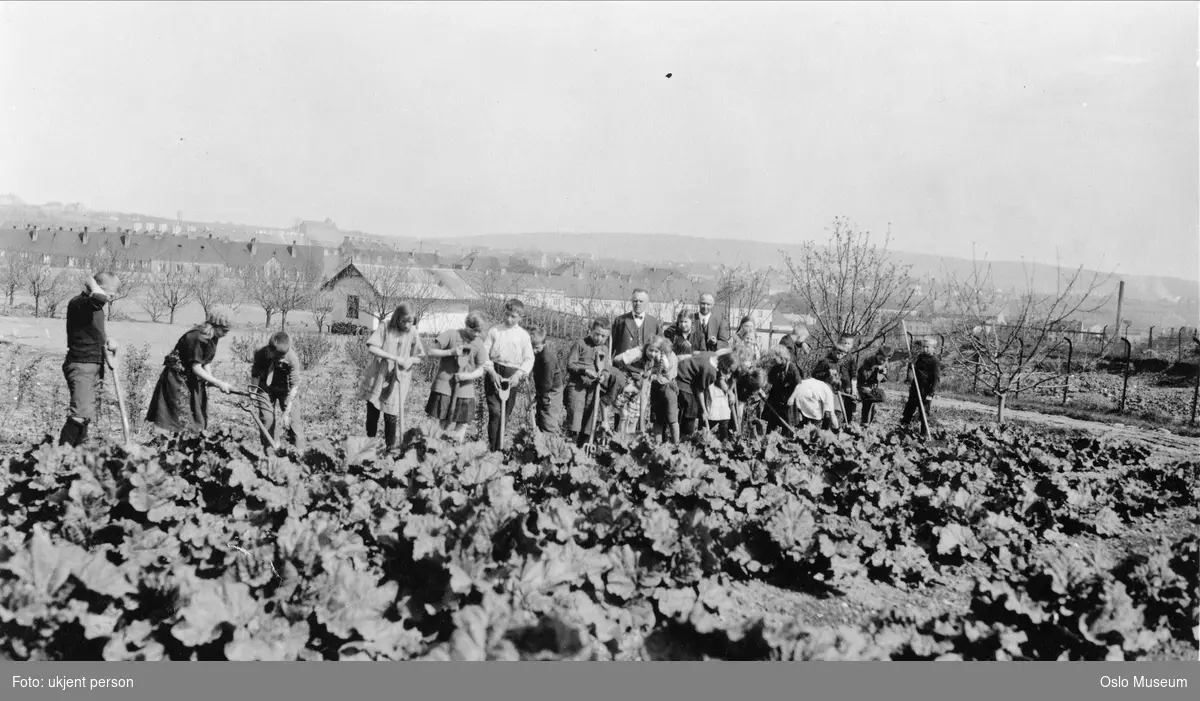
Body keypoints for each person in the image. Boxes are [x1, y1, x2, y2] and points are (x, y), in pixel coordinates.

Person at [146, 311, 235, 434]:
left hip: (191, 378)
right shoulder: (197, 337)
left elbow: (205, 361)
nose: (225, 334)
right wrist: (218, 383)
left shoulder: (213, 336)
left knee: (196, 412)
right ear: (215, 325)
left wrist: (211, 379)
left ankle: (189, 443)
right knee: (178, 413)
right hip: (177, 378)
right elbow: (196, 367)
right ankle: (165, 443)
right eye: (224, 331)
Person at [58, 272, 121, 447]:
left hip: (94, 363)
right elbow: (100, 298)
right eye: (111, 291)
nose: (113, 296)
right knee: (80, 414)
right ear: (96, 287)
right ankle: (59, 459)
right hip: (81, 365)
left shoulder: (94, 307)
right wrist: (92, 284)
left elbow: (91, 330)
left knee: (87, 414)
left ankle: (76, 457)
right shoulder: (80, 303)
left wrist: (106, 339)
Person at [358, 302, 426, 450]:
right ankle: (369, 446)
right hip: (379, 376)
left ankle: (390, 450)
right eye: (404, 321)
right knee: (373, 412)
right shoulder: (385, 326)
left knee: (391, 416)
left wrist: (411, 360)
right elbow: (372, 347)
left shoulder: (413, 332)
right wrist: (393, 357)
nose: (407, 325)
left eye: (411, 321)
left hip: (398, 379)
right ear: (397, 318)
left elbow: (419, 356)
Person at [482, 298, 535, 451]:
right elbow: (484, 353)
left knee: (505, 413)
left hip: (512, 375)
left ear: (520, 318)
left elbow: (529, 358)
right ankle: (492, 448)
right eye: (507, 315)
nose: (509, 319)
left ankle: (499, 448)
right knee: (495, 412)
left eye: (513, 316)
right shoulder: (495, 331)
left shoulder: (523, 335)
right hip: (495, 372)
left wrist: (519, 374)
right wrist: (491, 371)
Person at [424, 312, 486, 442]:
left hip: (465, 390)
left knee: (461, 423)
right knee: (438, 421)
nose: (476, 334)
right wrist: (450, 352)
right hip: (444, 386)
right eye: (474, 331)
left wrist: (467, 376)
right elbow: (430, 351)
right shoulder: (452, 334)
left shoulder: (479, 343)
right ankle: (433, 448)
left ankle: (454, 451)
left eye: (479, 332)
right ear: (467, 325)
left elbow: (481, 368)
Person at [612, 335, 679, 441]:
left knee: (634, 416)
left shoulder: (658, 359)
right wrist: (633, 369)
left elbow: (666, 368)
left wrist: (650, 371)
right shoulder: (638, 353)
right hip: (625, 383)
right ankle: (619, 440)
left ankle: (628, 443)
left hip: (637, 387)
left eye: (656, 351)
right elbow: (616, 359)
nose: (652, 353)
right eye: (650, 350)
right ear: (646, 347)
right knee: (625, 415)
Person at [249, 331, 305, 450]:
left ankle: (301, 456)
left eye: (282, 357)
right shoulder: (260, 353)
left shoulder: (292, 358)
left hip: (286, 388)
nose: (280, 360)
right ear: (270, 350)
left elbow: (294, 385)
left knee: (294, 421)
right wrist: (252, 395)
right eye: (277, 357)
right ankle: (270, 451)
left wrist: (286, 412)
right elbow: (255, 375)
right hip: (265, 387)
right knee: (267, 419)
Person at [564, 318, 611, 446]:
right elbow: (570, 365)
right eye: (597, 334)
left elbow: (606, 369)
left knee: (590, 417)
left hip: (594, 387)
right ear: (590, 331)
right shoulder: (580, 344)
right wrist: (584, 370)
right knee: (575, 414)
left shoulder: (604, 349)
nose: (599, 338)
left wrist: (603, 377)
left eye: (603, 336)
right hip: (577, 385)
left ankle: (583, 445)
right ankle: (572, 445)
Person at [900, 338, 941, 433]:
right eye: (923, 347)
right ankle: (903, 427)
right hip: (915, 387)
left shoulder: (934, 361)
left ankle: (924, 433)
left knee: (923, 412)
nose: (925, 349)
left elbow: (936, 379)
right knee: (909, 408)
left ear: (933, 349)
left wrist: (931, 393)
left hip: (925, 390)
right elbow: (914, 368)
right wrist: (911, 363)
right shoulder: (921, 357)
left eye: (927, 347)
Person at [530, 325, 565, 435]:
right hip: (543, 389)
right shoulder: (538, 354)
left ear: (544, 344)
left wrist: (543, 399)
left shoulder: (548, 358)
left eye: (537, 348)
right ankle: (540, 444)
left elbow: (547, 382)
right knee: (540, 417)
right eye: (532, 347)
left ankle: (551, 445)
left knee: (548, 419)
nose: (534, 350)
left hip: (552, 391)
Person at [764, 344, 803, 434]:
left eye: (774, 359)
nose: (772, 360)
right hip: (775, 399)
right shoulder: (774, 368)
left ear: (781, 357)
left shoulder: (792, 367)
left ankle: (786, 445)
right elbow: (770, 382)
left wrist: (792, 398)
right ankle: (769, 444)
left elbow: (799, 384)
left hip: (788, 400)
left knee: (787, 427)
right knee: (771, 425)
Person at [610, 288, 661, 357]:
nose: (638, 304)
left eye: (641, 301)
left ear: (647, 303)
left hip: (645, 366)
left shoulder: (654, 323)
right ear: (631, 302)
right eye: (635, 301)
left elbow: (661, 346)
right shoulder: (620, 320)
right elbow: (611, 345)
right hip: (622, 365)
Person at [856, 344, 895, 426]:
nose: (881, 361)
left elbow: (884, 379)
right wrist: (875, 368)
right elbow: (864, 376)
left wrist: (884, 374)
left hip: (874, 387)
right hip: (863, 385)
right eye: (880, 358)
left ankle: (867, 423)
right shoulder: (868, 360)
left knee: (874, 405)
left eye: (884, 360)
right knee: (868, 402)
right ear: (877, 354)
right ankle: (864, 423)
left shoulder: (886, 364)